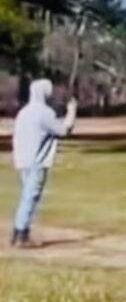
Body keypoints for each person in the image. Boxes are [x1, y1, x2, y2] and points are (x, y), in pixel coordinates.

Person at [10, 79, 77, 247]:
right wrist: (72, 111)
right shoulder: (44, 113)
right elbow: (63, 130)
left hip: (22, 160)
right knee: (30, 197)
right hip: (37, 161)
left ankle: (18, 233)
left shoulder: (24, 112)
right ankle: (21, 234)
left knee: (26, 196)